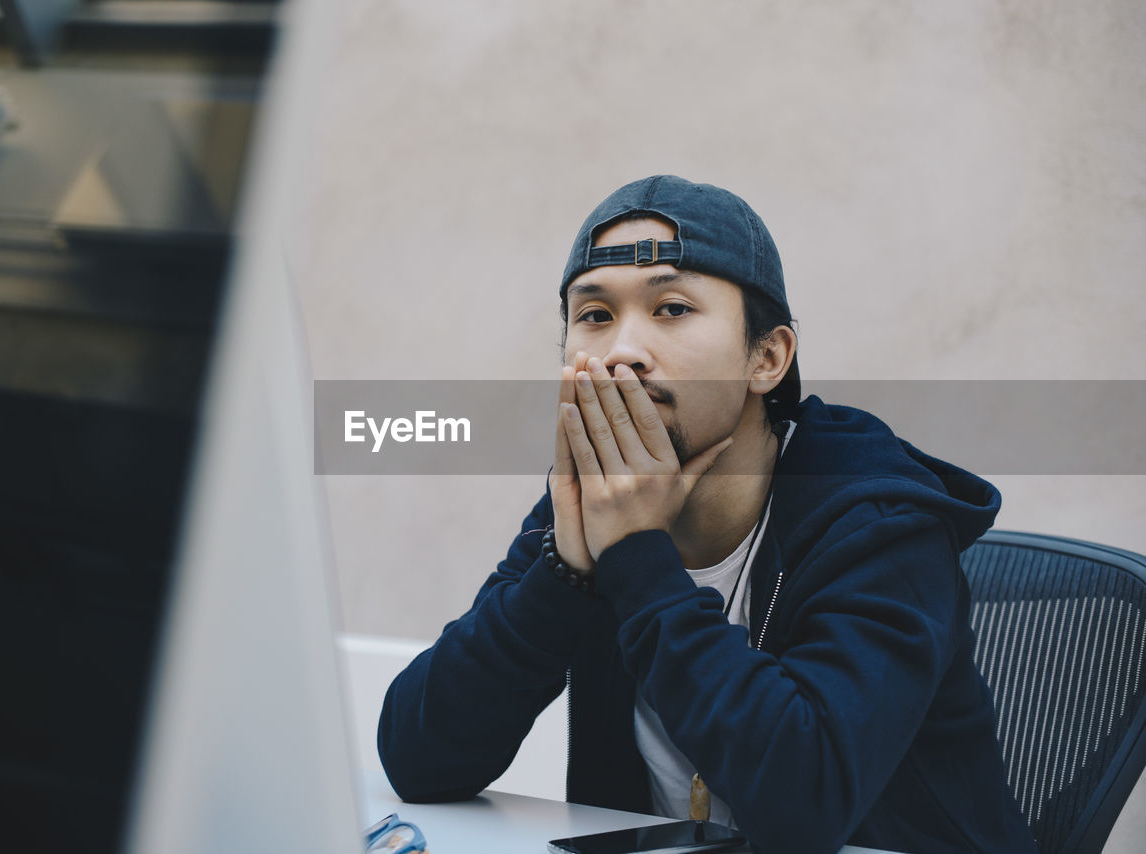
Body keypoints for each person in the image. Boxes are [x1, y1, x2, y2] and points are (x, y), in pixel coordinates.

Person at [377, 175, 1038, 854]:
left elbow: (804, 805)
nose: (622, 351)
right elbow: (418, 760)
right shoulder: (598, 498)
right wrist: (566, 575)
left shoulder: (880, 522)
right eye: (595, 316)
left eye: (671, 308)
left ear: (767, 357)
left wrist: (636, 554)